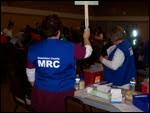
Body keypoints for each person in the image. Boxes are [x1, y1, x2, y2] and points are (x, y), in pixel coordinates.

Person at [26, 14, 92, 112]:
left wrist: (41, 86)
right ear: (59, 31)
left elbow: (30, 74)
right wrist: (86, 38)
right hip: (63, 96)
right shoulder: (70, 47)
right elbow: (88, 51)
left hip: (40, 95)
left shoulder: (33, 48)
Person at [99, 26, 137, 90]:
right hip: (129, 77)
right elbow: (123, 58)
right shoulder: (126, 43)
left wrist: (102, 60)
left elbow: (114, 66)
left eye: (112, 40)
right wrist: (110, 57)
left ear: (117, 39)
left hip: (122, 81)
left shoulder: (121, 49)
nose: (111, 41)